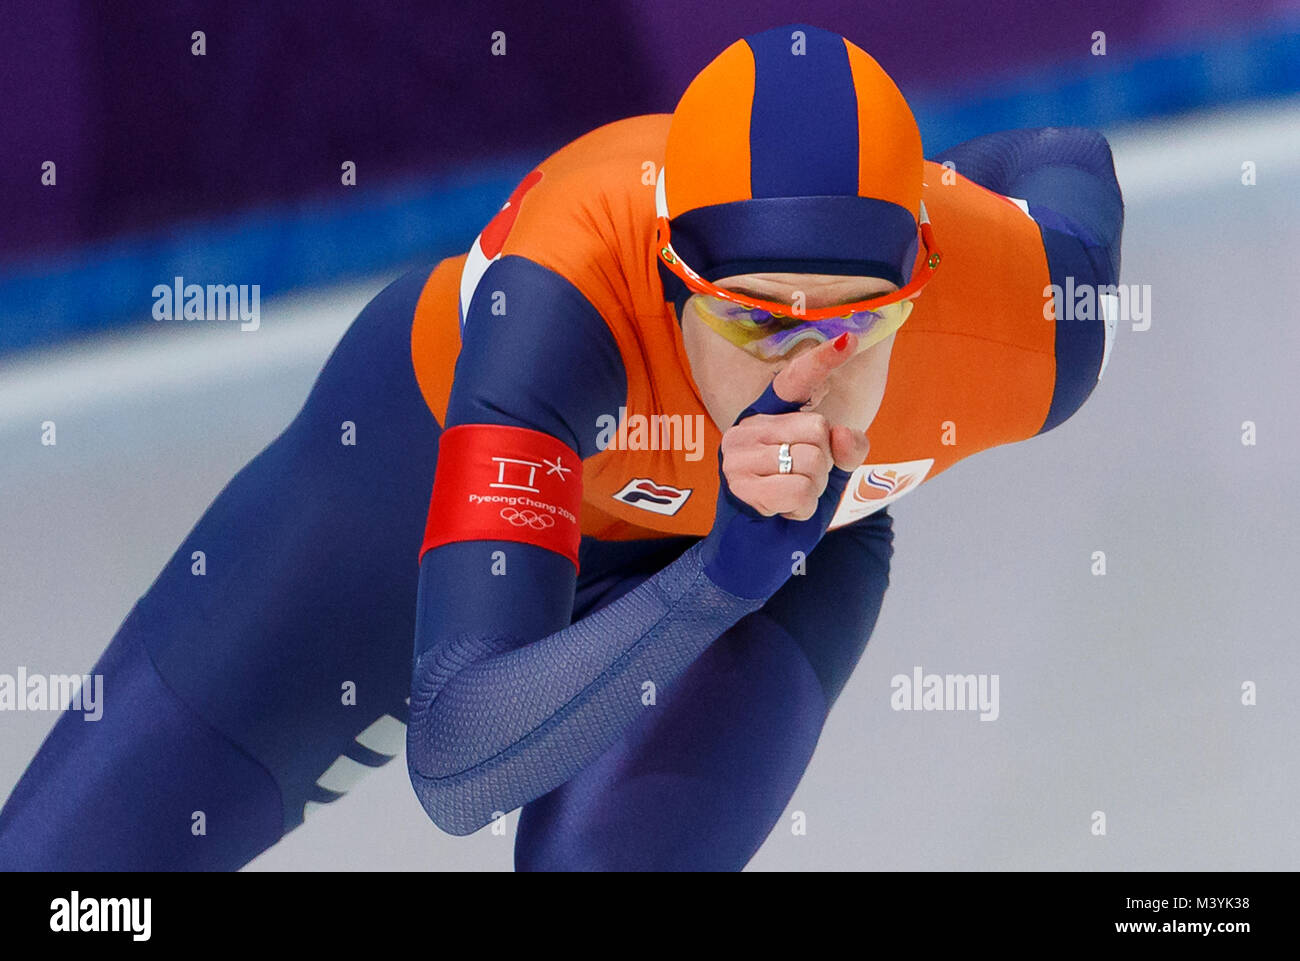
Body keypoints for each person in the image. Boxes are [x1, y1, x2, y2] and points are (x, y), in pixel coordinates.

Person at [0, 22, 1123, 871]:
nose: (801, 372)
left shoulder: (1026, 326)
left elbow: (1066, 149)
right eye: (751, 316)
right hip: (419, 468)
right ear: (669, 275)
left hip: (782, 557)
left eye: (852, 321)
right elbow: (459, 761)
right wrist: (709, 578)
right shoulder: (564, 301)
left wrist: (744, 572)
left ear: (918, 285)